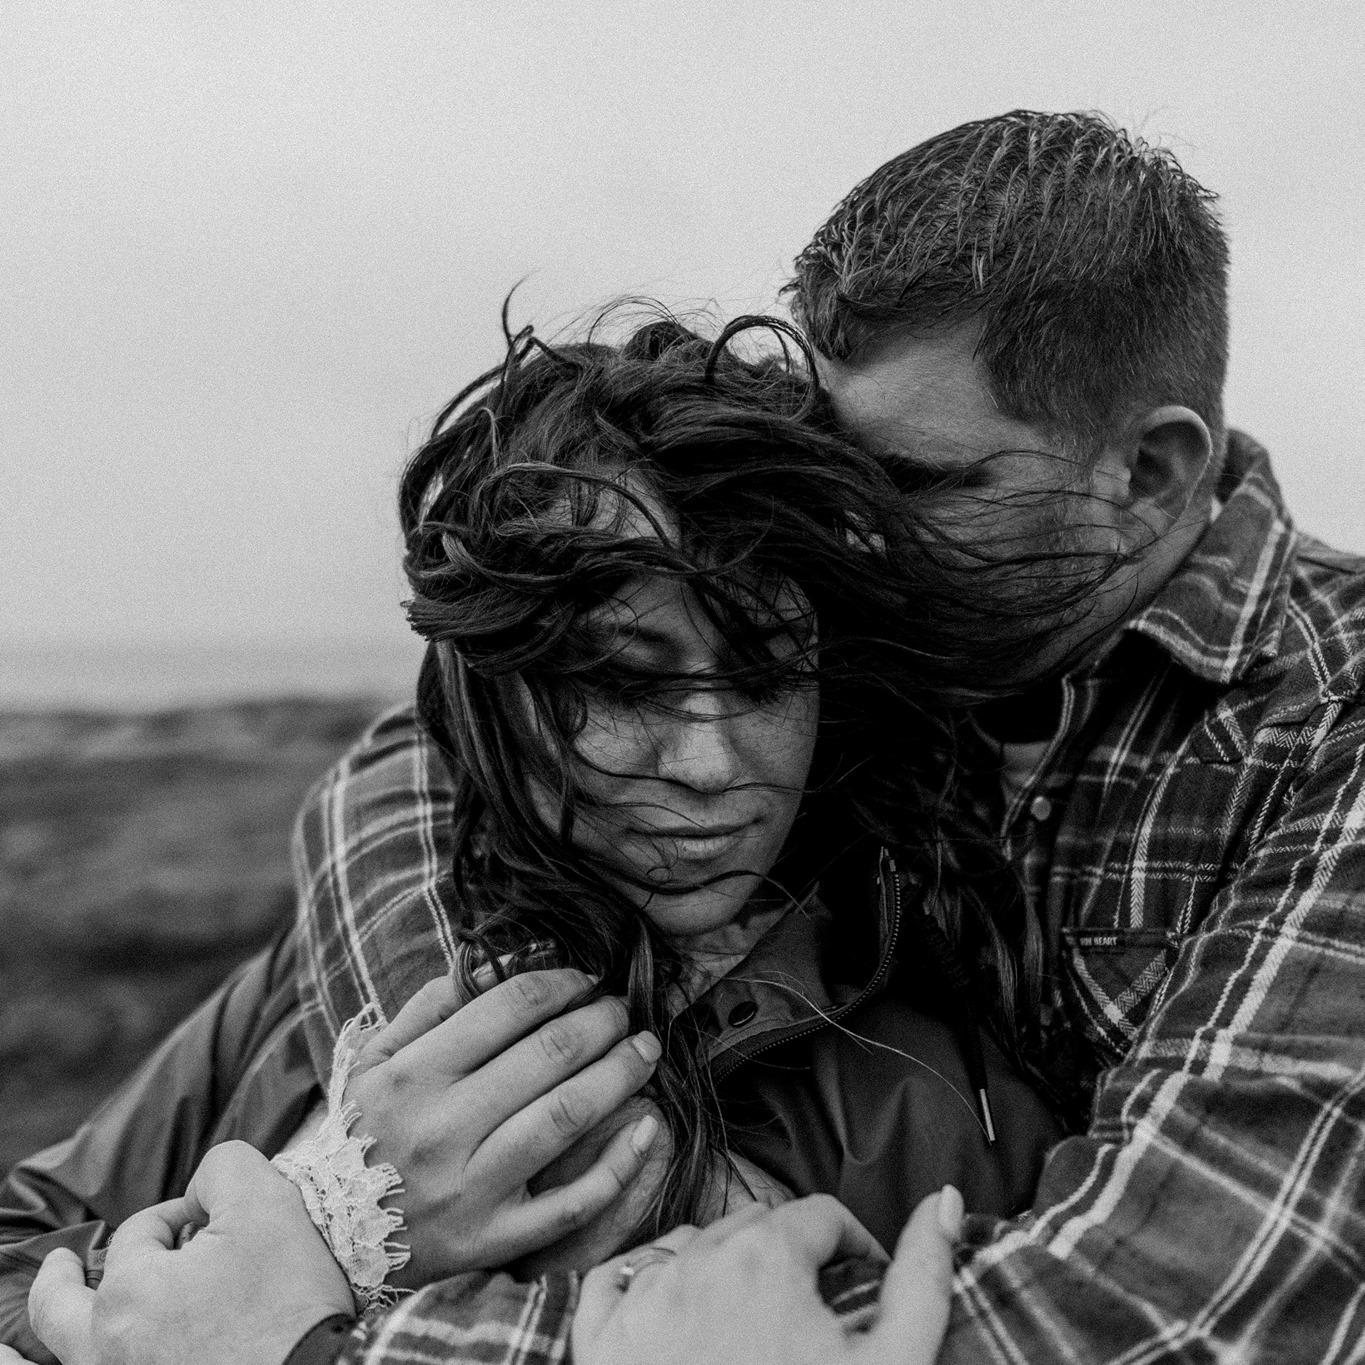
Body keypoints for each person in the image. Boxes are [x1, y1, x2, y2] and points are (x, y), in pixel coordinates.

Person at [29, 105, 1364, 1363]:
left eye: (910, 482)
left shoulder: (1320, 730)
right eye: (626, 683)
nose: (847, 530)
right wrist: (489, 1090)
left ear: (1151, 473)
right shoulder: (945, 627)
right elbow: (415, 757)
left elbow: (1135, 1319)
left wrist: (303, 1316)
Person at [0, 312, 1070, 1363]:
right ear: (491, 694)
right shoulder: (319, 979)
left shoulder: (939, 1097)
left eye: (771, 672)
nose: (711, 763)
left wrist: (313, 1286)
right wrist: (332, 1222)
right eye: (624, 677)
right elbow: (21, 1243)